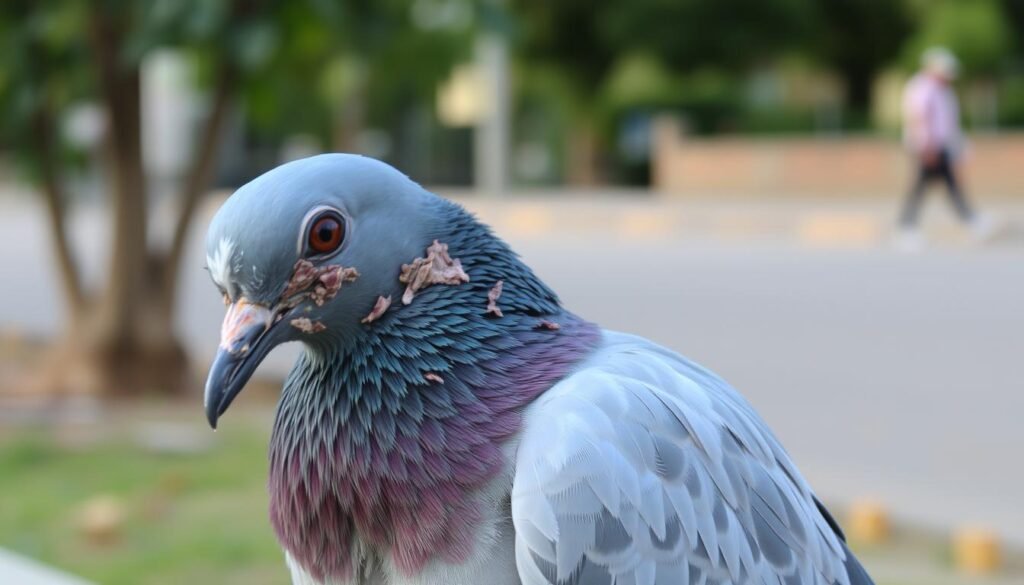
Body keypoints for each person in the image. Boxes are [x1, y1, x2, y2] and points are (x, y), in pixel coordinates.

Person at [897, 47, 993, 249]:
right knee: (927, 187)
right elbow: (920, 118)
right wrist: (927, 147)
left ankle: (970, 220)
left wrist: (958, 143)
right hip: (928, 147)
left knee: (941, 185)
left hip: (941, 145)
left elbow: (948, 121)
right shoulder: (922, 88)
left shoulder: (943, 90)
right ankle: (907, 228)